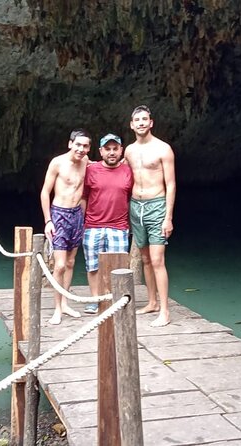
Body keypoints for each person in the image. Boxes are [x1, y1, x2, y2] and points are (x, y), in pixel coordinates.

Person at [125, 105, 176, 327]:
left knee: (157, 259)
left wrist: (168, 217)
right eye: (138, 120)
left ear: (151, 122)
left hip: (157, 205)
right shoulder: (129, 151)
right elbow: (118, 172)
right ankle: (152, 301)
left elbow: (171, 184)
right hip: (136, 206)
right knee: (145, 258)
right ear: (132, 124)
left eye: (145, 119)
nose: (142, 123)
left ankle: (165, 311)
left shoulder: (163, 149)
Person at [40, 129, 91, 325]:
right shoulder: (58, 163)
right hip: (59, 214)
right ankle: (56, 309)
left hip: (77, 215)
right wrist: (48, 220)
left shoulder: (87, 162)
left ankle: (65, 303)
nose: (81, 149)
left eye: (85, 146)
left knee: (70, 263)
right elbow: (45, 193)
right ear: (70, 144)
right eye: (78, 144)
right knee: (59, 265)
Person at [80, 133, 133, 314]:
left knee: (118, 267)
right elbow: (84, 197)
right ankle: (96, 300)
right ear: (101, 151)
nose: (112, 152)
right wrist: (82, 222)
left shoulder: (128, 170)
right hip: (93, 225)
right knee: (93, 266)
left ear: (121, 150)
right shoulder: (91, 170)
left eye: (115, 149)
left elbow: (132, 197)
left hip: (118, 226)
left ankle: (114, 300)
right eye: (108, 149)